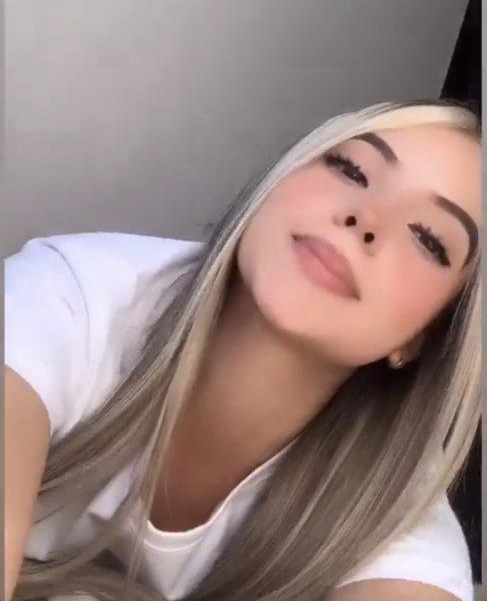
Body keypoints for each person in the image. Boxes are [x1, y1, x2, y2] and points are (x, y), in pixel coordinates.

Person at [5, 99, 480, 601]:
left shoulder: (397, 521)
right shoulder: (70, 296)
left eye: (428, 239)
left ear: (422, 338)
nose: (367, 219)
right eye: (351, 169)